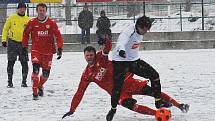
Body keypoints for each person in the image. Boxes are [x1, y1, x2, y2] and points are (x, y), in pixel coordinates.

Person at [62, 37, 189, 120]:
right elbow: (79, 92)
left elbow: (108, 47)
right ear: (84, 57)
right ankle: (157, 115)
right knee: (131, 106)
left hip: (127, 82)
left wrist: (106, 38)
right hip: (117, 93)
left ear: (95, 55)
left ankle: (180, 105)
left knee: (152, 91)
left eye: (91, 55)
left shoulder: (101, 57)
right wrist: (72, 109)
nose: (89, 57)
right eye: (87, 55)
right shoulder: (86, 75)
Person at [107, 16, 171, 121]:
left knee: (154, 75)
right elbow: (121, 41)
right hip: (120, 61)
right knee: (117, 88)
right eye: (143, 29)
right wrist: (121, 50)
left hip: (134, 61)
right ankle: (113, 109)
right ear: (137, 26)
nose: (144, 32)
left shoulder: (141, 31)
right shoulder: (129, 31)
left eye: (147, 29)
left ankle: (158, 101)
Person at [22, 3, 64, 100]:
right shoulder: (32, 22)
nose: (41, 12)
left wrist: (60, 48)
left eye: (43, 10)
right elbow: (25, 34)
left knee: (45, 74)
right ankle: (35, 92)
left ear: (46, 11)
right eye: (40, 10)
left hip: (48, 52)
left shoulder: (51, 23)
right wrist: (24, 47)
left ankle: (40, 85)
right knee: (35, 70)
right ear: (37, 11)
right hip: (36, 51)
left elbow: (58, 36)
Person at [1, 2, 30, 88]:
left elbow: (31, 32)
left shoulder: (28, 20)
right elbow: (5, 29)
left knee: (24, 63)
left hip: (23, 43)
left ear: (25, 9)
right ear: (17, 9)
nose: (22, 10)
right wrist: (3, 40)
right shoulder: (11, 18)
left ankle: (24, 82)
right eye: (20, 8)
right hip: (12, 42)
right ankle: (9, 82)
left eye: (24, 8)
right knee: (11, 62)